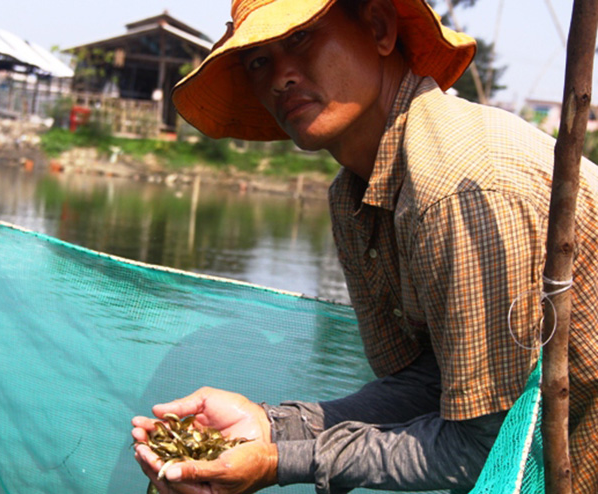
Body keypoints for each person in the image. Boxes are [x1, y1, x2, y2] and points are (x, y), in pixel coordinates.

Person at [132, 0, 598, 492]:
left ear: (378, 28)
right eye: (258, 60)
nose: (280, 78)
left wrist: (279, 463)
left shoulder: (455, 187)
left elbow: (480, 447)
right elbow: (431, 385)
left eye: (300, 38)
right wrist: (273, 426)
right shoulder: (353, 194)